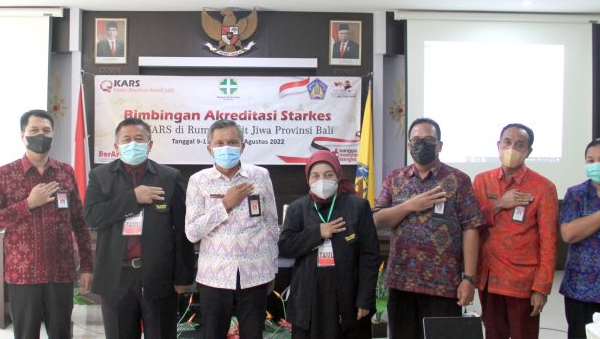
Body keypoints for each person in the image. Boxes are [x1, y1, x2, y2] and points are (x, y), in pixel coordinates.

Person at [0, 109, 93, 339]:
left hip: (61, 272)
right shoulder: (5, 174)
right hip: (23, 274)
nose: (40, 135)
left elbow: (79, 223)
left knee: (61, 334)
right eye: (34, 130)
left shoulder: (65, 172)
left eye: (46, 130)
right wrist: (28, 204)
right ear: (22, 135)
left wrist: (87, 266)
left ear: (53, 135)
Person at [84, 118, 195, 339]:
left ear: (150, 144)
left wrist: (182, 276)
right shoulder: (100, 176)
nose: (133, 144)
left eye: (139, 139)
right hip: (116, 276)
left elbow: (182, 229)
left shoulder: (169, 176)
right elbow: (92, 217)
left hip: (159, 275)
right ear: (116, 146)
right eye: (126, 139)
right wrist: (133, 198)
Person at [373, 117, 484, 339]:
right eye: (416, 140)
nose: (421, 144)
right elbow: (377, 219)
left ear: (439, 145)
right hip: (401, 282)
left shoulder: (459, 180)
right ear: (409, 146)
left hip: (443, 285)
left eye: (428, 140)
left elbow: (471, 228)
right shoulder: (395, 178)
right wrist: (410, 205)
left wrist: (469, 279)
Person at [185, 119, 279, 339]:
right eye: (219, 143)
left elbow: (271, 226)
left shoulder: (260, 176)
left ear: (242, 146)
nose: (226, 147)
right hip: (214, 277)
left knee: (253, 335)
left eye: (232, 142)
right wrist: (225, 205)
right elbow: (192, 232)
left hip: (255, 274)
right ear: (209, 149)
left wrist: (272, 269)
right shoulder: (198, 181)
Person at [279, 150, 379, 339]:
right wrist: (317, 233)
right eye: (315, 176)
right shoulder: (297, 208)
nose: (322, 180)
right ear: (308, 179)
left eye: (328, 174)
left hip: (348, 297)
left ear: (338, 176)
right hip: (309, 300)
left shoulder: (358, 207)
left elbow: (369, 256)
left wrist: (364, 299)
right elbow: (286, 246)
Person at [472, 123, 557, 339]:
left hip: (523, 282)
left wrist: (542, 288)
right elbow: (471, 224)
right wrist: (499, 204)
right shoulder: (482, 181)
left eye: (520, 145)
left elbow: (549, 242)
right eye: (507, 142)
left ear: (529, 151)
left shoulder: (544, 187)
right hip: (488, 278)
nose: (512, 148)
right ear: (498, 145)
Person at [561, 138, 600, 338]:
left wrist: (588, 223)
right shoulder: (576, 194)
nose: (595, 165)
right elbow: (569, 233)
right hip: (580, 288)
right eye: (590, 160)